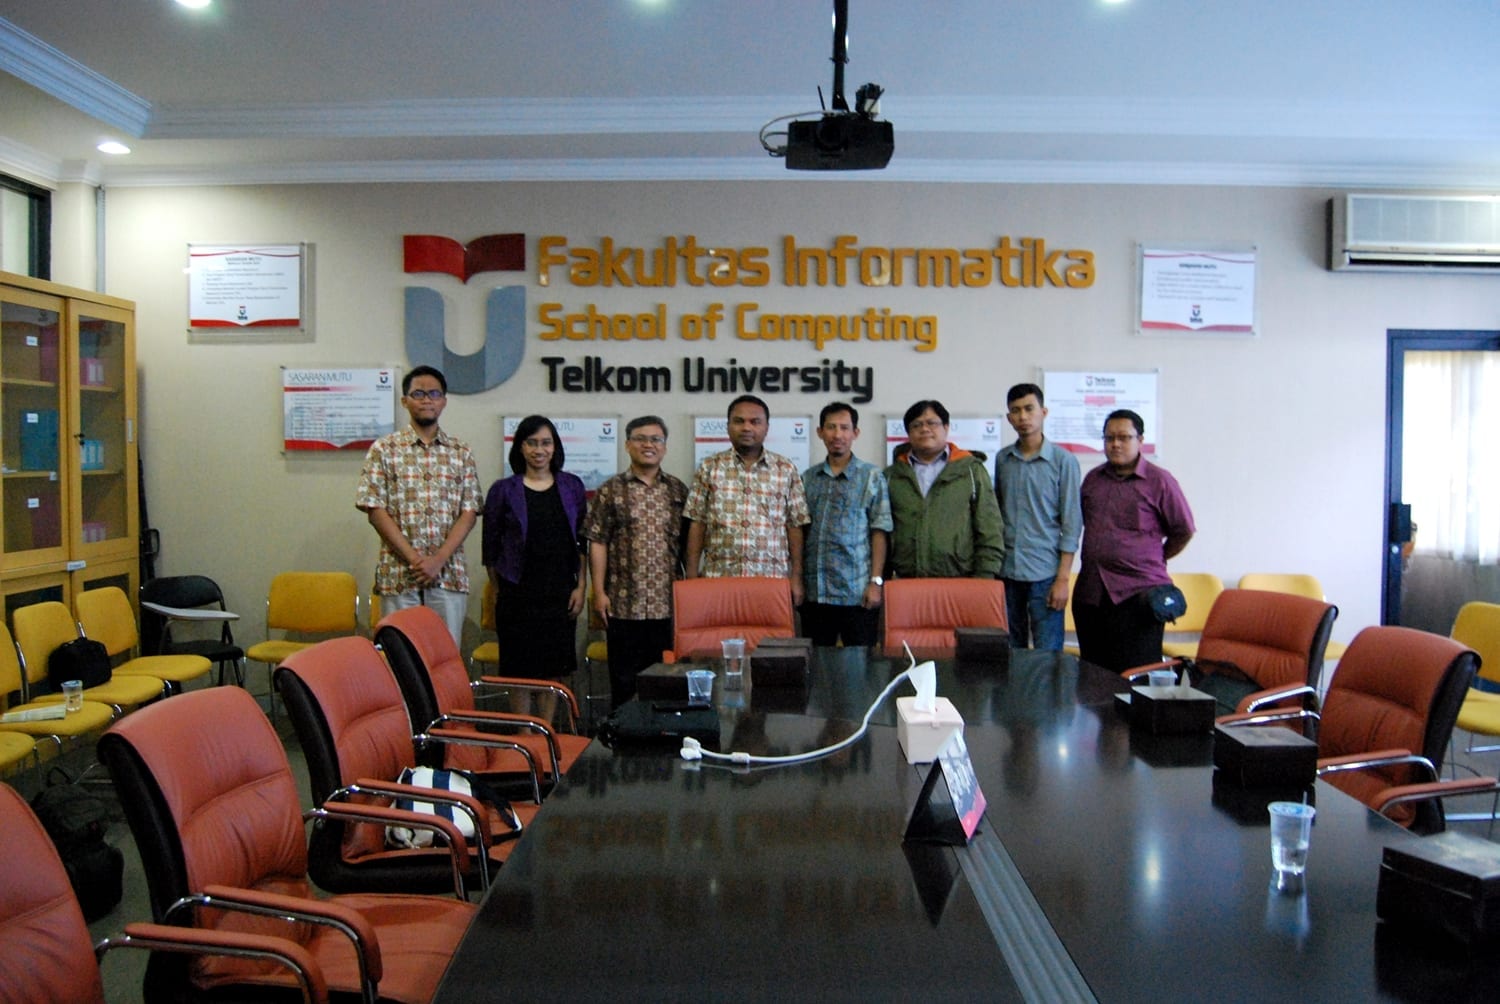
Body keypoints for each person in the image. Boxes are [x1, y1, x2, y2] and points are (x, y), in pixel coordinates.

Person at [355, 365, 480, 646]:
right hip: (399, 574)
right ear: (405, 401)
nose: (427, 400)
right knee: (401, 657)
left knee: (445, 655)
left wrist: (437, 560)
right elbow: (375, 509)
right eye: (418, 394)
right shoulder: (384, 449)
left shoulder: (461, 452)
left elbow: (469, 512)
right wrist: (416, 560)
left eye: (434, 394)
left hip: (448, 573)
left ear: (443, 401)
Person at [1072, 408, 1196, 672]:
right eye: (1109, 438)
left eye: (1124, 437)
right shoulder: (1093, 480)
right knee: (1092, 675)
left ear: (1140, 440)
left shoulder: (1160, 481)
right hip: (1092, 594)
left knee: (1137, 676)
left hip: (1139, 593)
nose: (1115, 444)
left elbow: (1183, 529)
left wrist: (1156, 558)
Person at [583, 415, 688, 707]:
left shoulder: (678, 490)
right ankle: (625, 733)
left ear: (664, 447)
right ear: (628, 445)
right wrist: (599, 592)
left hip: (668, 604)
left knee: (667, 680)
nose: (648, 445)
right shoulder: (611, 489)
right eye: (640, 439)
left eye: (655, 439)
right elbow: (598, 541)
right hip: (623, 602)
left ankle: (664, 733)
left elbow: (690, 543)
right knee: (625, 682)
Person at [482, 415, 587, 680]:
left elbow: (581, 540)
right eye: (531, 442)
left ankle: (547, 712)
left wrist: (581, 586)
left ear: (555, 447)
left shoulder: (572, 486)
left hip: (560, 593)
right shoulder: (503, 490)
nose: (539, 449)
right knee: (519, 671)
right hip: (516, 594)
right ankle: (521, 713)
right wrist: (498, 590)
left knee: (553, 671)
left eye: (545, 443)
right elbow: (490, 548)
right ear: (520, 447)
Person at [683, 394, 810, 602]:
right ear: (727, 426)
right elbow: (697, 523)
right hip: (719, 579)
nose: (746, 428)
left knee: (769, 626)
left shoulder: (786, 469)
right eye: (739, 421)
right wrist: (691, 575)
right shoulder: (709, 467)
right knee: (721, 626)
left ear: (767, 427)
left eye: (755, 422)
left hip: (771, 581)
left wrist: (796, 578)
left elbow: (795, 525)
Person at [995, 383, 1082, 650]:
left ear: (1043, 412)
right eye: (1016, 411)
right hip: (1007, 572)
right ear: (1009, 418)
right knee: (1010, 651)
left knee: (1048, 653)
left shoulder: (1064, 461)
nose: (1023, 416)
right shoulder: (1003, 459)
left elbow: (1072, 524)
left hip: (1045, 574)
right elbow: (997, 514)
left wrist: (1063, 580)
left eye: (1029, 409)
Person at [801, 402, 892, 646]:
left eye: (844, 428)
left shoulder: (871, 476)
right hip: (816, 591)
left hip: (857, 592)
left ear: (855, 433)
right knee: (817, 662)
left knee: (860, 663)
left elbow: (880, 531)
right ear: (820, 432)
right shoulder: (808, 478)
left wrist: (875, 582)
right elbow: (800, 531)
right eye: (831, 427)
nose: (837, 434)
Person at [885, 399, 1004, 580]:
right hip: (907, 581)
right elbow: (883, 533)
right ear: (908, 433)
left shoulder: (971, 471)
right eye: (917, 425)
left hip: (962, 579)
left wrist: (985, 576)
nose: (925, 429)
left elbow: (990, 527)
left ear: (946, 428)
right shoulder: (891, 476)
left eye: (932, 423)